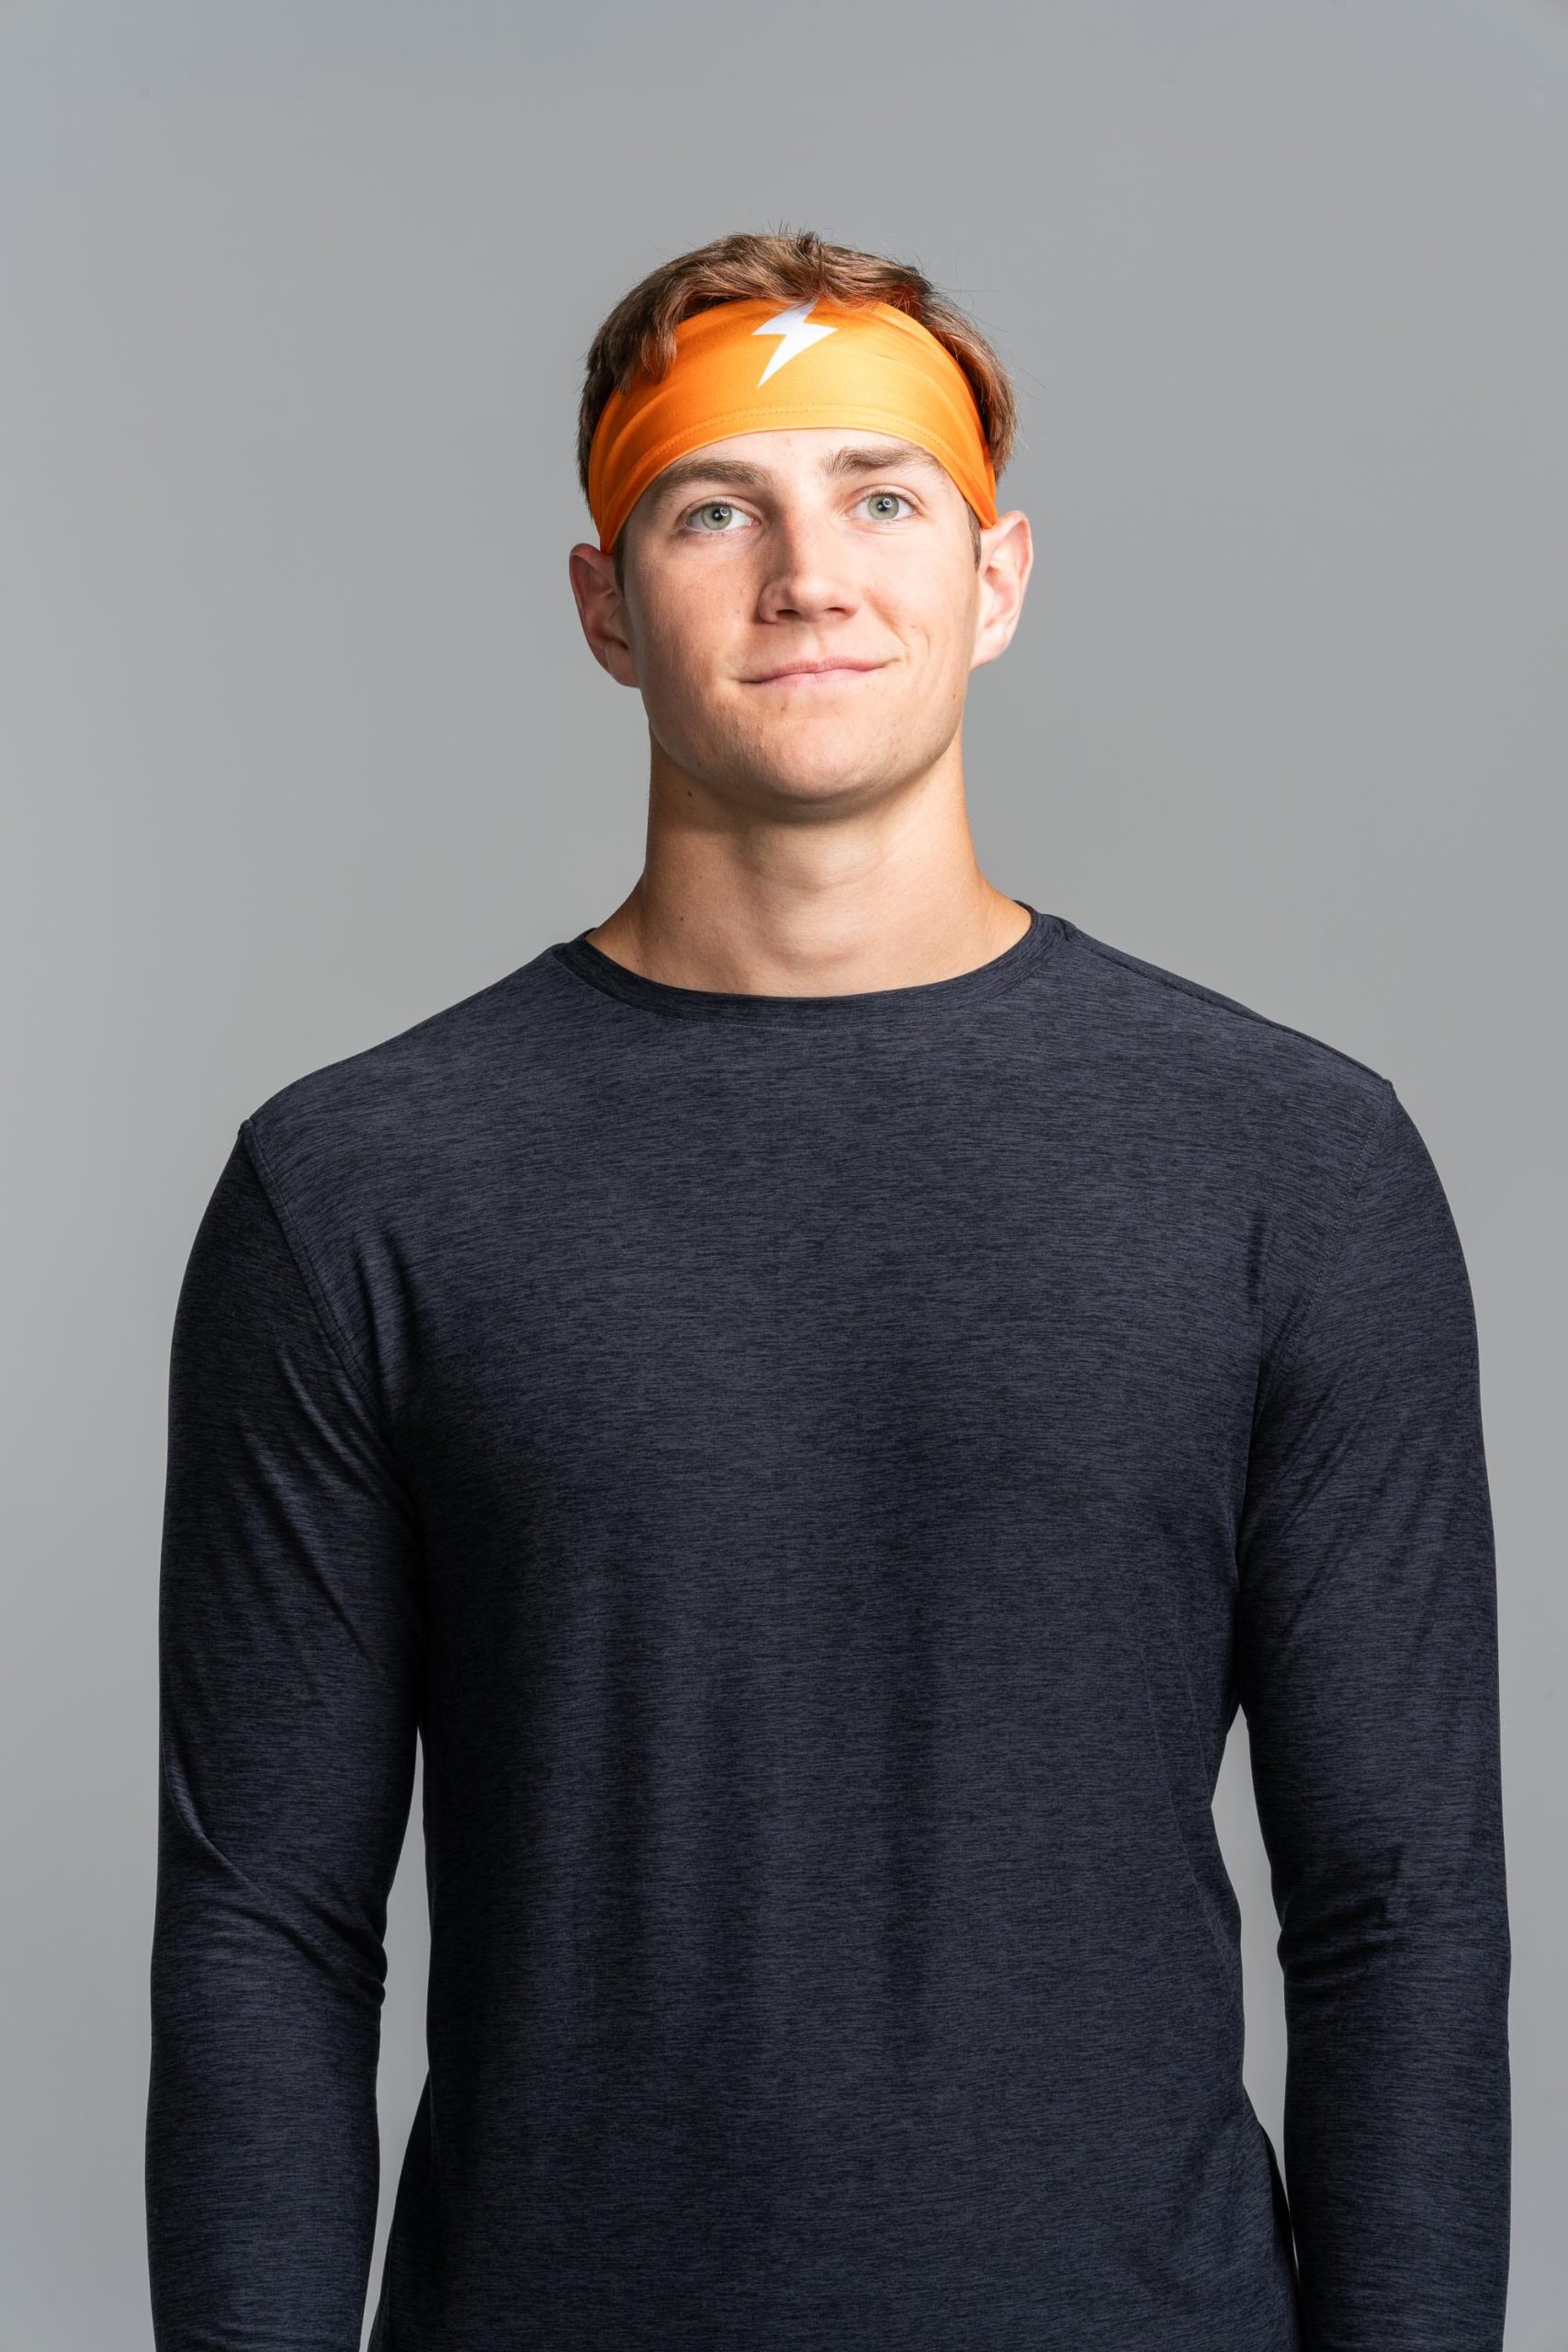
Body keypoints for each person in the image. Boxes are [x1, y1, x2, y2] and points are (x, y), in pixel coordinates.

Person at [144, 228, 1511, 2351]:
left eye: (882, 497)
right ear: (604, 603)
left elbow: (1396, 1913)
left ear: (996, 575)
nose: (808, 575)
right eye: (715, 508)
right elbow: (268, 1928)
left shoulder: (1292, 1165)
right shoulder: (353, 1191)